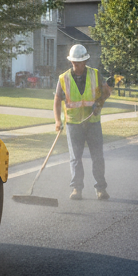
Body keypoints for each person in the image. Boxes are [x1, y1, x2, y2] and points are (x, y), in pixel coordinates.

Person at [53, 44, 112, 200]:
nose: (76, 65)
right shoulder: (64, 78)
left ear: (85, 61)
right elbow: (57, 99)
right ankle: (76, 189)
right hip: (73, 124)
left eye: (78, 62)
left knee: (97, 156)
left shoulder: (95, 75)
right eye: (73, 62)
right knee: (75, 158)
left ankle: (101, 189)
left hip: (92, 123)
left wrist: (104, 95)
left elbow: (105, 94)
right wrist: (58, 121)